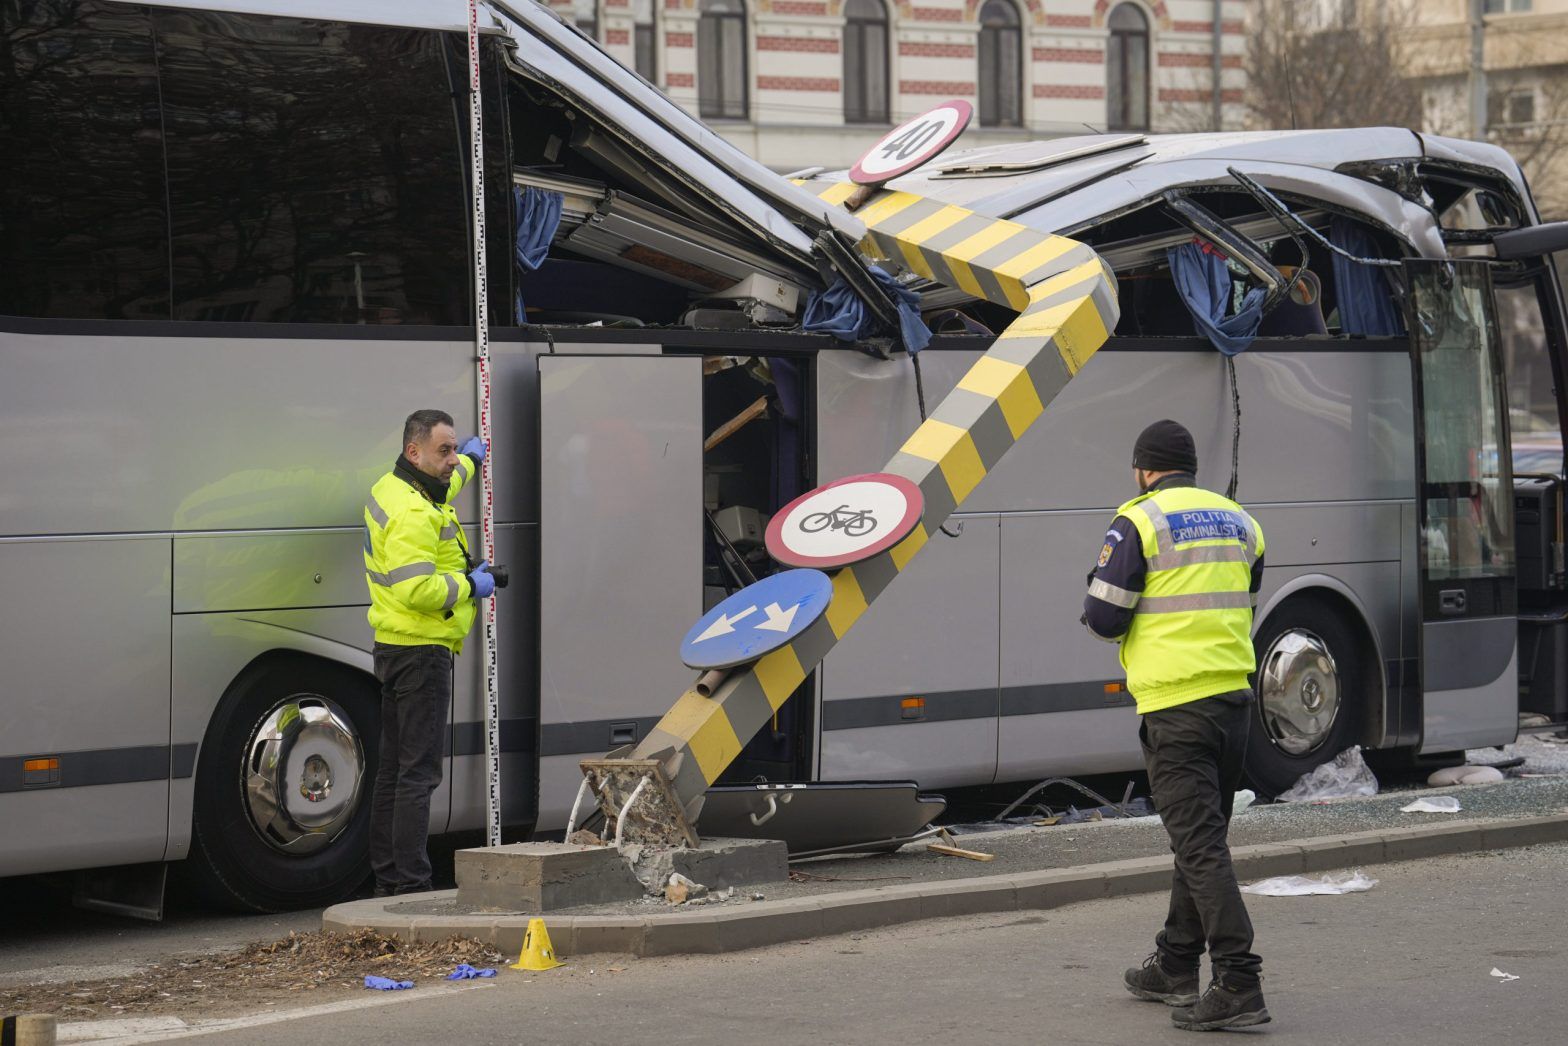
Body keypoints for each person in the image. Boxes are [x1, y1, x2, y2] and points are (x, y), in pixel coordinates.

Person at [1082, 419, 1270, 1032]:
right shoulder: (1240, 521)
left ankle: (1239, 980)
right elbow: (1244, 596)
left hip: (1176, 708)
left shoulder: (1138, 521)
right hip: (1235, 705)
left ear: (1144, 468)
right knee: (1200, 838)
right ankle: (1174, 963)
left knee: (1200, 845)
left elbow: (1105, 617)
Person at [362, 409, 496, 896]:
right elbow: (418, 588)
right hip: (422, 652)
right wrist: (471, 584)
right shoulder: (414, 511)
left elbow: (444, 482)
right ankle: (412, 886)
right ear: (414, 452)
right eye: (445, 451)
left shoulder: (394, 486)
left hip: (394, 646)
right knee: (418, 776)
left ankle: (388, 880)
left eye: (454, 449)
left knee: (393, 772)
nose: (451, 460)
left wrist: (469, 463)